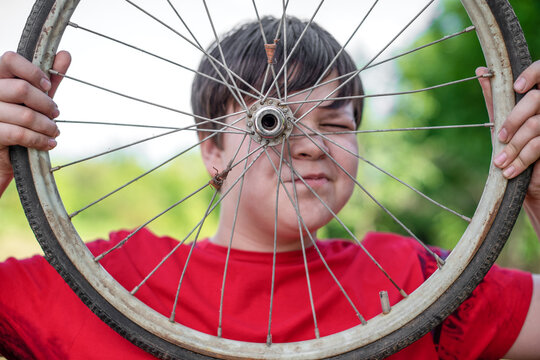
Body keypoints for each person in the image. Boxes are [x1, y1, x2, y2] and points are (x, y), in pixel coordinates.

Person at [0, 16, 539, 360]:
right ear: (211, 149)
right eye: (270, 118)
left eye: (336, 124)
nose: (310, 145)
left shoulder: (419, 283)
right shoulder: (99, 278)